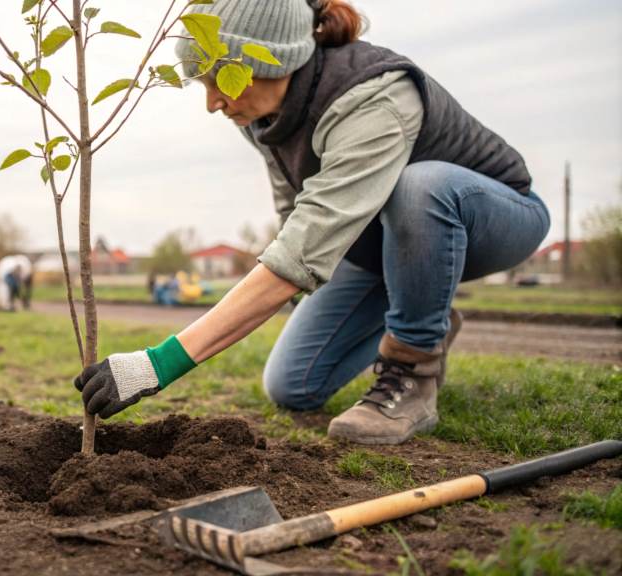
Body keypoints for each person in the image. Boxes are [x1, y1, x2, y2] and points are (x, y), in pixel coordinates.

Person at [74, 0, 549, 445]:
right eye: (203, 84)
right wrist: (285, 300)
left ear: (275, 61)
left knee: (418, 187)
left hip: (490, 219)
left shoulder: (374, 96)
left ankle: (413, 372)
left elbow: (306, 244)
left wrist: (159, 364)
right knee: (292, 384)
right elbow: (294, 219)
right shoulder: (264, 119)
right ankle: (427, 315)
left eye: (224, 80)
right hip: (379, 249)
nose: (212, 103)